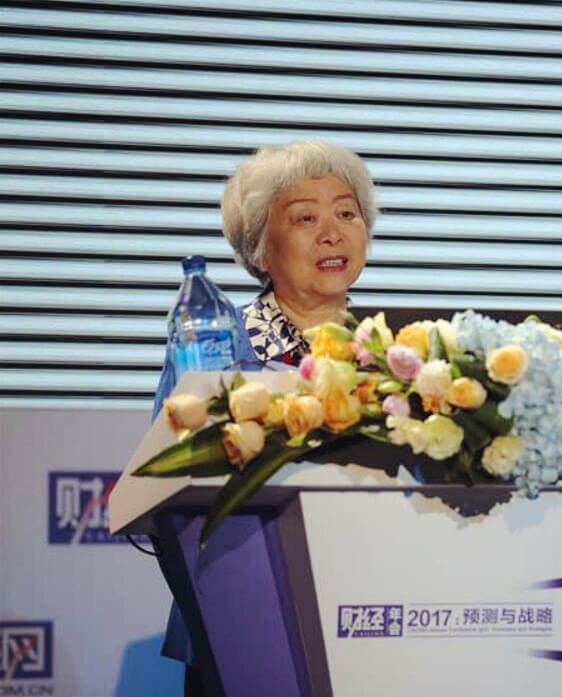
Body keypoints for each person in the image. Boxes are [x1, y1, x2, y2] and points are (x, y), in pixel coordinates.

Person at [150, 141, 378, 696]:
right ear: (258, 249)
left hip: (372, 619)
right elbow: (171, 478)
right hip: (245, 622)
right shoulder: (219, 343)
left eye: (347, 214)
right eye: (305, 218)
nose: (333, 234)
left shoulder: (394, 350)